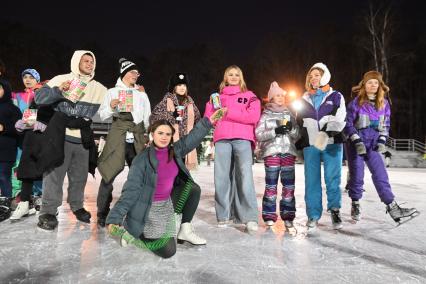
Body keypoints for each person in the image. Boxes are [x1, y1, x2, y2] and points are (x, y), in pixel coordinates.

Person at [106, 111, 224, 258]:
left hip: (167, 203)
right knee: (169, 251)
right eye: (160, 133)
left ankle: (185, 230)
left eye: (168, 134)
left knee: (192, 188)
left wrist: (208, 121)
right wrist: (114, 219)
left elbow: (192, 138)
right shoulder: (142, 160)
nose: (164, 137)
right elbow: (130, 191)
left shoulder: (174, 151)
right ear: (152, 134)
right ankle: (136, 232)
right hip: (149, 208)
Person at [34, 50, 107, 230]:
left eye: (92, 61)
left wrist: (133, 92)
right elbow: (39, 98)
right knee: (54, 174)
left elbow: (116, 103)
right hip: (61, 135)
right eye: (85, 61)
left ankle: (77, 206)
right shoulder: (61, 79)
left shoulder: (99, 88)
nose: (89, 64)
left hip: (82, 138)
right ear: (76, 62)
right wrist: (59, 90)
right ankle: (48, 211)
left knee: (79, 177)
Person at [345, 71, 417, 223]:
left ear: (380, 86)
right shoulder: (355, 103)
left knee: (381, 175)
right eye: (370, 82)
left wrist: (382, 142)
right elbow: (348, 124)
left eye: (376, 83)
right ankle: (355, 203)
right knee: (357, 176)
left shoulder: (384, 104)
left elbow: (385, 125)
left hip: (372, 145)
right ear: (364, 84)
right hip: (355, 145)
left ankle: (393, 207)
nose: (373, 85)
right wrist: (357, 141)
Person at [204, 65, 261, 232]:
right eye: (231, 74)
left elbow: (253, 116)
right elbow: (210, 118)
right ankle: (223, 215)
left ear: (241, 77)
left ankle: (249, 217)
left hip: (243, 138)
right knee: (221, 177)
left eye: (237, 74)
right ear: (225, 77)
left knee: (245, 176)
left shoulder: (249, 96)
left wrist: (228, 113)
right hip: (222, 139)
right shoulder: (216, 97)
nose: (234, 77)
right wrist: (215, 111)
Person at [96, 58, 151, 227]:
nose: (136, 75)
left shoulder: (141, 94)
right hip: (118, 136)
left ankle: (137, 211)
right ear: (124, 73)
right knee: (108, 174)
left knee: (140, 177)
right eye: (133, 72)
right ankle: (102, 212)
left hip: (137, 137)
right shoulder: (112, 91)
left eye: (137, 73)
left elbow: (147, 116)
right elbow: (102, 115)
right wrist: (112, 107)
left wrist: (147, 134)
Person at [295, 63, 346, 230]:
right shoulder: (303, 99)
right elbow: (299, 123)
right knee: (312, 181)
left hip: (331, 143)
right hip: (311, 145)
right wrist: (298, 143)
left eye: (317, 75)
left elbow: (340, 118)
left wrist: (326, 132)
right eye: (311, 76)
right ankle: (313, 215)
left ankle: (335, 210)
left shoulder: (336, 96)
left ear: (325, 76)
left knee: (332, 179)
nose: (313, 78)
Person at [10, 69, 55, 220]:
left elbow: (51, 115)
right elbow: (18, 113)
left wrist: (44, 124)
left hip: (41, 137)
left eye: (31, 77)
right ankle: (21, 196)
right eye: (25, 77)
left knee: (39, 166)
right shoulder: (18, 96)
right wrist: (20, 123)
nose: (28, 80)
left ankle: (39, 195)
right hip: (25, 135)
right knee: (21, 165)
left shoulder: (44, 94)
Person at [255, 82, 299, 230]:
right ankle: (269, 215)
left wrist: (291, 129)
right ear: (272, 98)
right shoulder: (265, 115)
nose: (280, 98)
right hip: (272, 152)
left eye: (282, 95)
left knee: (288, 186)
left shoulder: (289, 114)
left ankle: (288, 215)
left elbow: (297, 134)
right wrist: (275, 131)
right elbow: (258, 134)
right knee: (271, 185)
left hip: (288, 151)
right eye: (277, 95)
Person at [149, 73, 201, 170]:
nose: (182, 87)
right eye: (179, 85)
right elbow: (153, 118)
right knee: (172, 172)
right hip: (171, 143)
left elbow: (198, 120)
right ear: (174, 87)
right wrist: (171, 116)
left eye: (184, 85)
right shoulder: (166, 101)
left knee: (184, 174)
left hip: (186, 144)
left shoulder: (190, 103)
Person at [0, 78, 22, 221]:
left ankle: (6, 202)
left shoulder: (13, 109)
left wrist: (4, 128)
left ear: (5, 90)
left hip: (6, 149)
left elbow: (19, 129)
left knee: (3, 176)